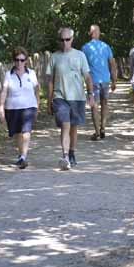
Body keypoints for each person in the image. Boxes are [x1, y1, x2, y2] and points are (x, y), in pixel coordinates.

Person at [46, 27, 93, 170]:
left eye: (67, 39)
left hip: (77, 97)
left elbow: (87, 76)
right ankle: (65, 156)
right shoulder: (54, 57)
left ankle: (72, 152)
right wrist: (49, 101)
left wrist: (91, 93)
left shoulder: (80, 56)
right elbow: (50, 80)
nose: (65, 42)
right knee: (65, 125)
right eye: (62, 40)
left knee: (73, 127)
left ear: (72, 39)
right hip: (60, 97)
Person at [0, 47, 40, 169]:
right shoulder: (8, 75)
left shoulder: (31, 74)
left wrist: (37, 104)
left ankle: (23, 156)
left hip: (29, 106)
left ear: (26, 60)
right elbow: (4, 91)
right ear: (14, 60)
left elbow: (37, 89)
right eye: (17, 60)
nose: (19, 62)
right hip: (12, 108)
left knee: (26, 131)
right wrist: (1, 107)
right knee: (18, 133)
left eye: (22, 60)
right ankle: (21, 154)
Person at [81, 24, 117, 140]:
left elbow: (82, 66)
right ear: (99, 33)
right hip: (105, 80)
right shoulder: (106, 47)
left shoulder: (85, 48)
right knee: (104, 104)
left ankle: (96, 132)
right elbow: (112, 64)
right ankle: (103, 128)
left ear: (89, 33)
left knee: (94, 106)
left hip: (93, 81)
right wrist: (114, 80)